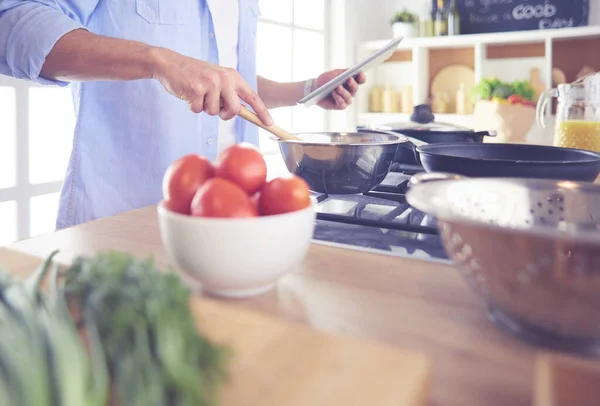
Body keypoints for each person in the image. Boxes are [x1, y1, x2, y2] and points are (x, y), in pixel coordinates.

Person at [0, 0, 366, 229]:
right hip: (123, 224)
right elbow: (13, 22)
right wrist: (158, 60)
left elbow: (227, 81)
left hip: (233, 222)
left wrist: (307, 89)